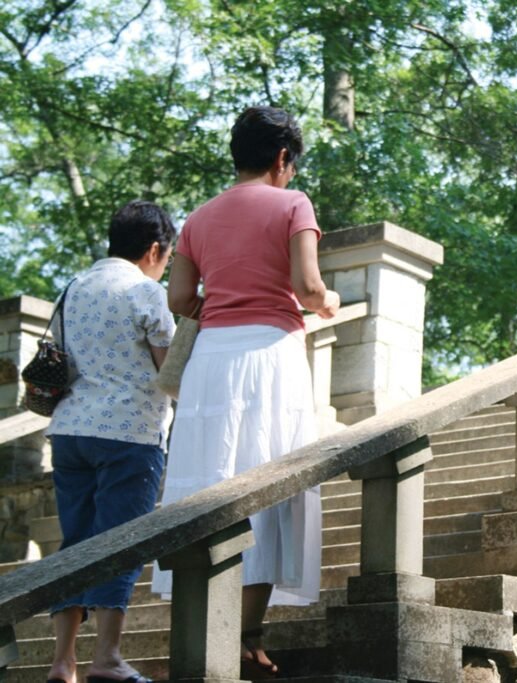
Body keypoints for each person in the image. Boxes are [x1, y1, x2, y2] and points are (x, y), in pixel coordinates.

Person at [150, 105, 340, 679]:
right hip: (269, 355)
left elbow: (179, 298)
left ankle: (207, 626)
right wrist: (328, 302)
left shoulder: (198, 218)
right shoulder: (292, 203)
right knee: (266, 480)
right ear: (284, 158)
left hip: (211, 360)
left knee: (211, 480)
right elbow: (308, 287)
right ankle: (247, 638)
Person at [45, 200, 177, 683]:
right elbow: (171, 370)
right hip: (129, 434)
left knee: (75, 544)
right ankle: (107, 660)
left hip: (70, 432)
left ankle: (63, 662)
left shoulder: (73, 287)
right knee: (119, 544)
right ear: (154, 249)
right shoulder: (146, 292)